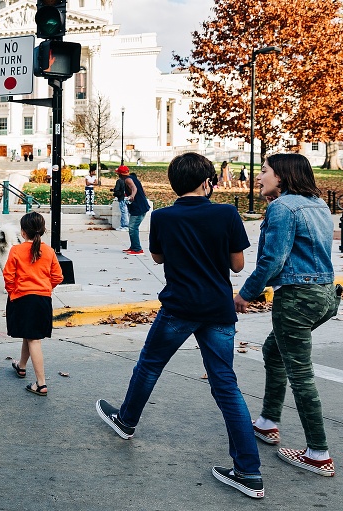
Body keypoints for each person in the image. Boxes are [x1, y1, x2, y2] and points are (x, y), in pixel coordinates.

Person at [96, 152, 263, 499]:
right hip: (217, 309)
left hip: (179, 306)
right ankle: (249, 471)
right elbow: (237, 264)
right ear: (208, 182)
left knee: (150, 365)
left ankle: (126, 420)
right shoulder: (227, 213)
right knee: (226, 386)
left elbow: (157, 257)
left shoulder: (164, 216)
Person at [234, 153, 340, 477]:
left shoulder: (282, 207)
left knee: (301, 375)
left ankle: (318, 453)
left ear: (281, 176)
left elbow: (272, 261)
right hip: (325, 296)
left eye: (264, 172)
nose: (259, 177)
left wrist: (244, 294)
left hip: (296, 299)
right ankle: (267, 422)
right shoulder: (319, 204)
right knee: (273, 351)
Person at [4, 212, 63, 396]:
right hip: (42, 299)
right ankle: (21, 366)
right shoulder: (49, 251)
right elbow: (58, 276)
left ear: (23, 232)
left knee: (33, 339)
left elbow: (8, 277)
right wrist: (45, 288)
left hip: (22, 298)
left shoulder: (16, 250)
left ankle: (41, 383)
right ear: (43, 230)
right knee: (30, 334)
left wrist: (14, 292)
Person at [118, 165, 149, 254]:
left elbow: (134, 188)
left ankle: (137, 249)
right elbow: (142, 191)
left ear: (120, 174)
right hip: (141, 206)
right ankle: (133, 246)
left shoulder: (127, 180)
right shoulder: (133, 178)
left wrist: (132, 196)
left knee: (132, 228)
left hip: (138, 208)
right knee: (133, 228)